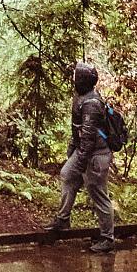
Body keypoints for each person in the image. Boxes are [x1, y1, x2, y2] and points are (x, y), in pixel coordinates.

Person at [46, 61, 115, 253]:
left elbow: (88, 137)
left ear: (83, 80)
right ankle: (63, 219)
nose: (73, 80)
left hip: (95, 156)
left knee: (98, 194)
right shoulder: (82, 97)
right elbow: (77, 131)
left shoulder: (92, 104)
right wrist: (72, 152)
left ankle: (107, 238)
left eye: (76, 77)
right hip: (84, 152)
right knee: (67, 175)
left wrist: (81, 162)